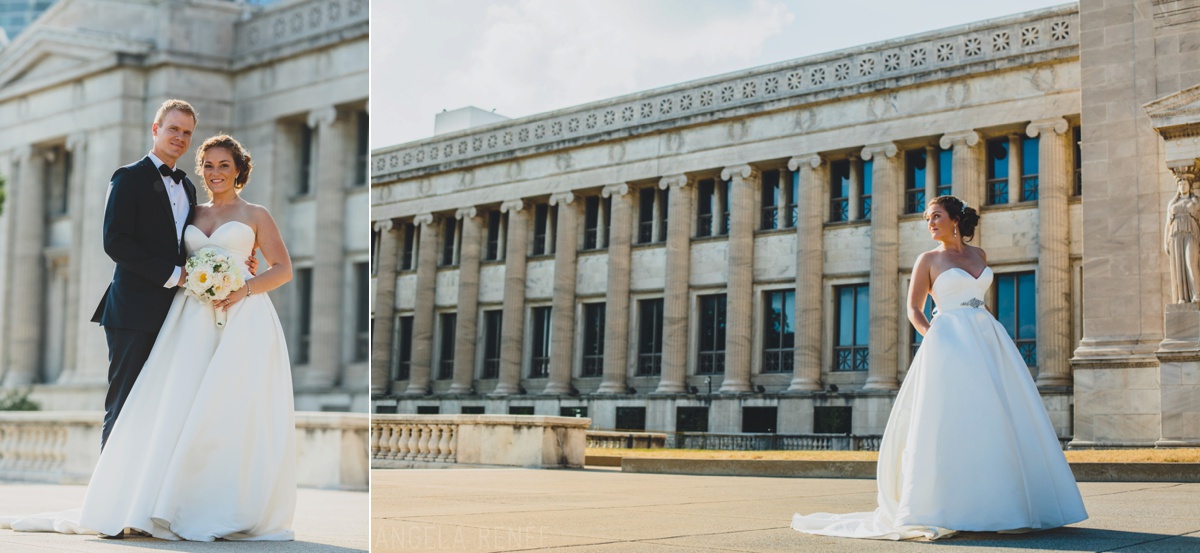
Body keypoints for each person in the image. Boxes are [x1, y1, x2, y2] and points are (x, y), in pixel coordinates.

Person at [2, 134, 297, 541]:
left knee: (229, 409)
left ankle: (224, 502)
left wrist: (241, 287)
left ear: (239, 170)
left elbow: (282, 269)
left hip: (242, 317)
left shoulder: (256, 214)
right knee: (175, 405)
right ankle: (154, 500)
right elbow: (149, 248)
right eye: (208, 165)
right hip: (189, 317)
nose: (215, 172)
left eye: (224, 165)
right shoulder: (190, 210)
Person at [791, 195, 1087, 540]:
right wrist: (933, 337)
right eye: (927, 218)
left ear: (955, 220)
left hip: (987, 338)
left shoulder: (980, 256)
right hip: (947, 339)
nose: (930, 223)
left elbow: (979, 301)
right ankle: (942, 505)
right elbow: (913, 309)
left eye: (936, 216)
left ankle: (1004, 504)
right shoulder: (927, 259)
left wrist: (997, 336)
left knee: (996, 416)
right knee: (949, 418)